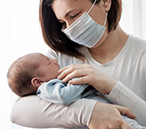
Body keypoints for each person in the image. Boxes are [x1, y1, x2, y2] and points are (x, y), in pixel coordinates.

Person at [10, 0, 146, 129]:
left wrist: (110, 87)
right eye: (63, 22)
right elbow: (18, 112)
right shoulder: (58, 58)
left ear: (105, 0)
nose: (70, 28)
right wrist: (89, 112)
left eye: (75, 15)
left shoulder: (141, 56)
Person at [7, 52, 146, 129]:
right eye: (49, 62)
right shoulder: (47, 87)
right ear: (37, 81)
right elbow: (65, 96)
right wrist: (82, 80)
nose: (55, 60)